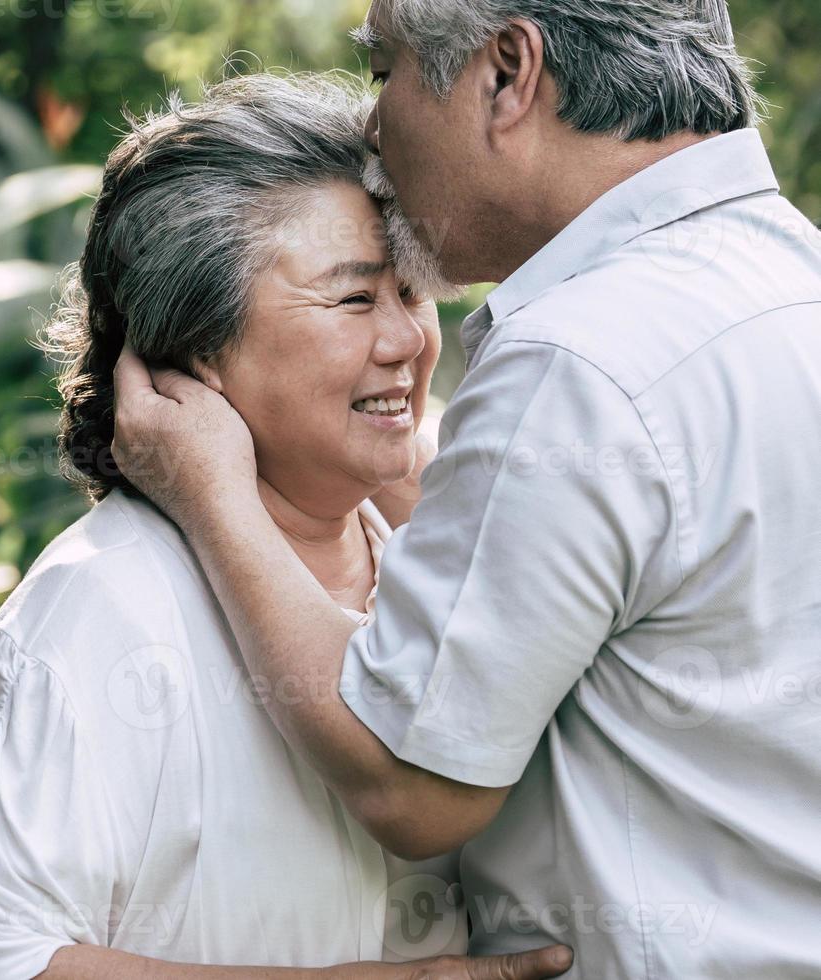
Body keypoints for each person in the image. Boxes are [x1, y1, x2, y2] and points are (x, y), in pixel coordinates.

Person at [111, 1, 821, 977]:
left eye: (385, 69)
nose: (373, 122)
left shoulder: (582, 358)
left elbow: (413, 780)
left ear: (506, 74)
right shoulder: (788, 283)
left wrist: (210, 490)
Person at [0, 72, 570, 980]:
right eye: (353, 299)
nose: (410, 340)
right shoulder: (110, 604)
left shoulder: (423, 564)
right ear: (199, 350)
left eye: (414, 292)